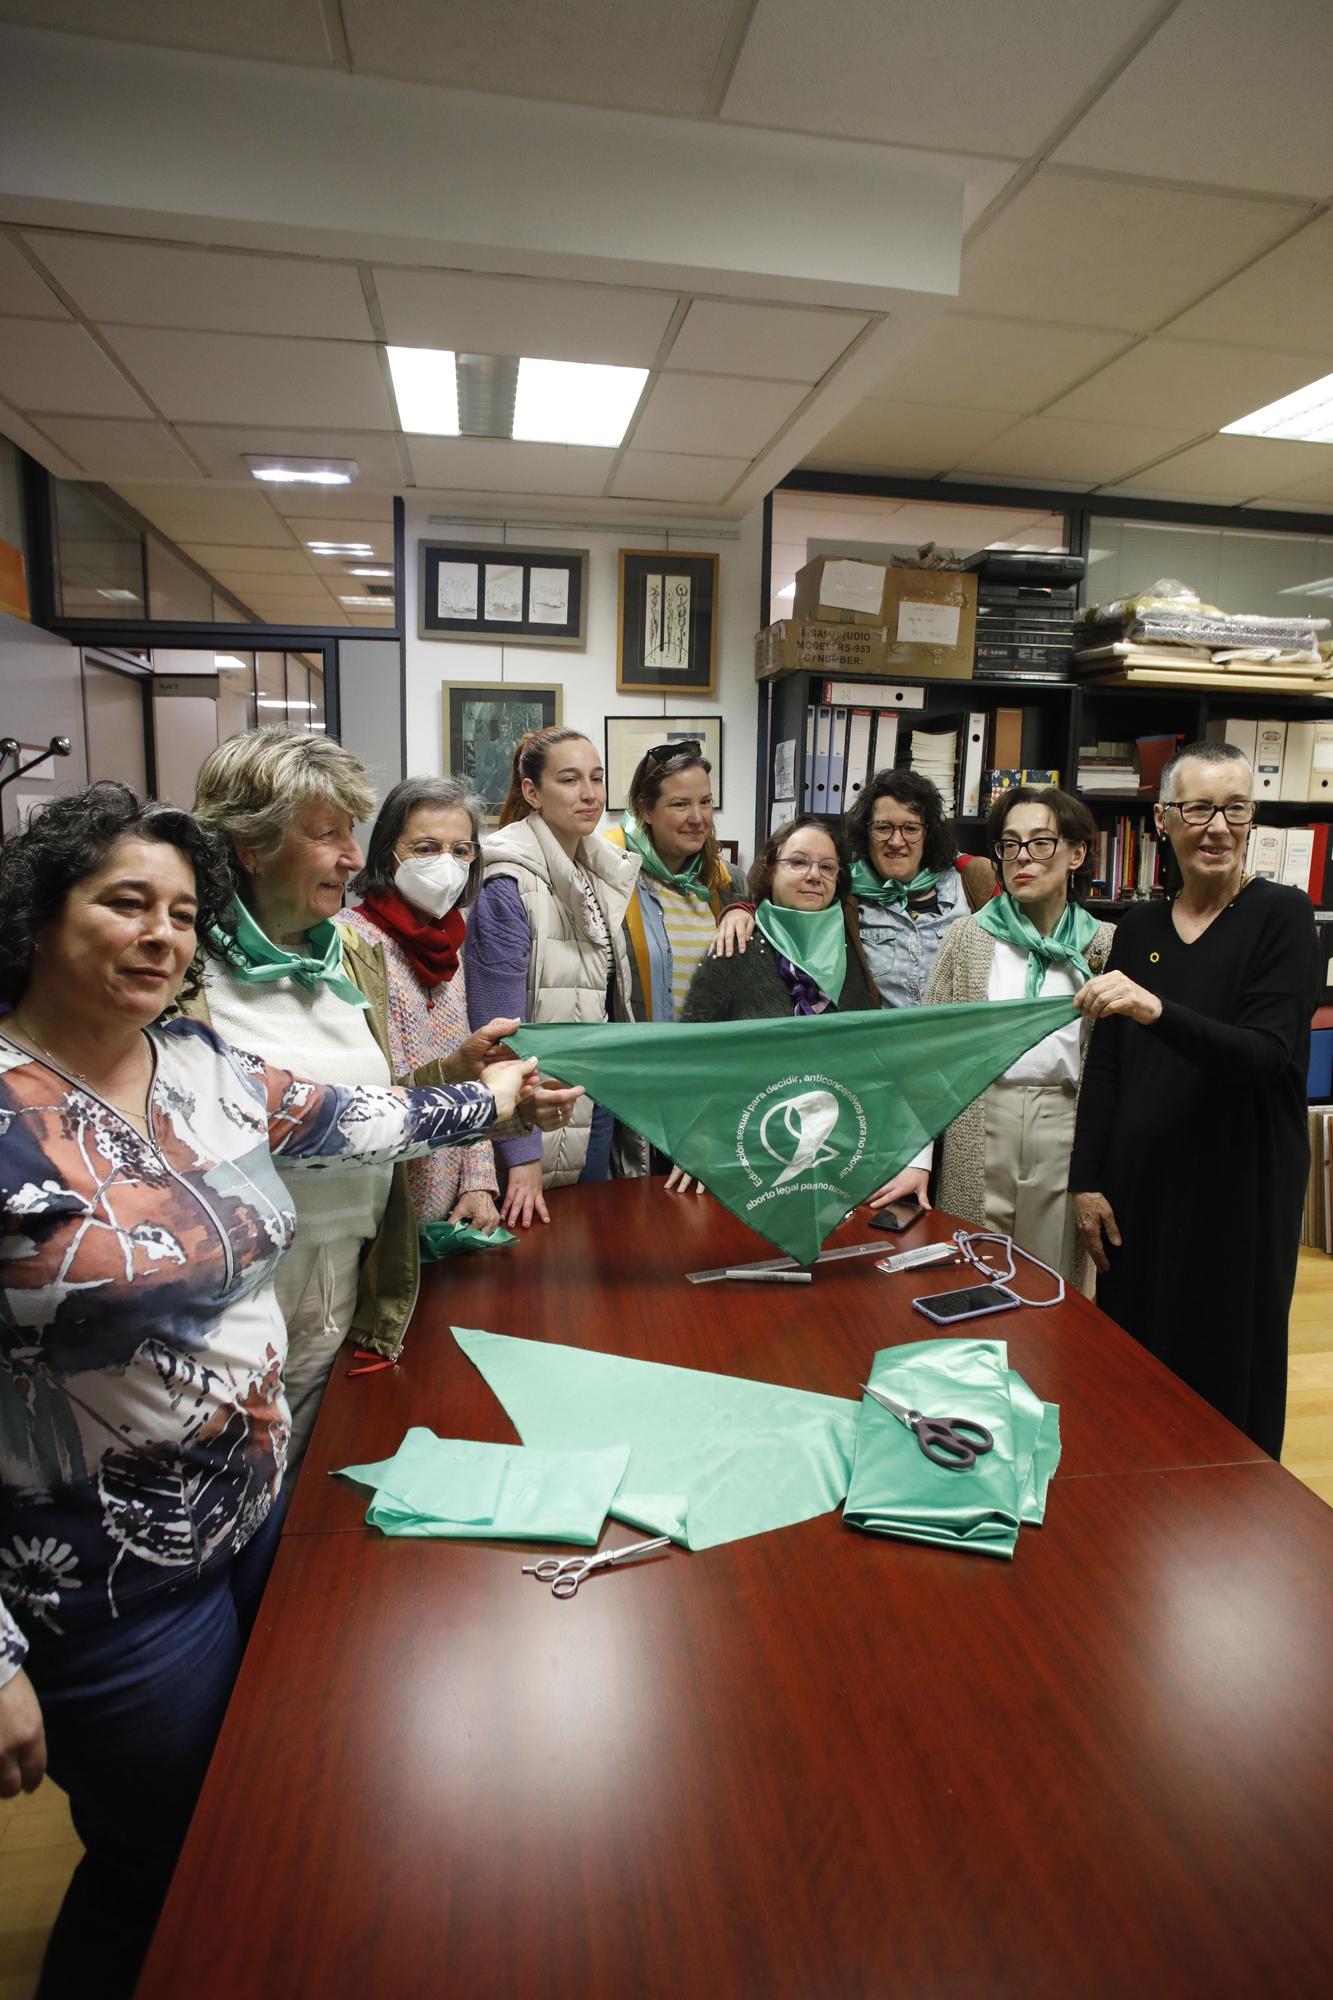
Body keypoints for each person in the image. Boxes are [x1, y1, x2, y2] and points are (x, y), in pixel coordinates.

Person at [0, 783, 570, 2000]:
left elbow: (356, 1116)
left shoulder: (201, 1061)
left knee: (259, 1821)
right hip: (104, 1583)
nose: (162, 933)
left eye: (183, 912)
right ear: (44, 916)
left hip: (257, 1516)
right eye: (125, 904)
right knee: (164, 1864)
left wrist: (498, 1096)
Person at [189, 728, 518, 1468]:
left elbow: (379, 1101)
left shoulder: (347, 955)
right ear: (251, 845)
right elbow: (286, 1117)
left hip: (349, 1270)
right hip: (233, 1291)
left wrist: (457, 1075)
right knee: (226, 1481)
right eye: (326, 833)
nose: (349, 855)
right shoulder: (186, 971)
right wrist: (476, 1106)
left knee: (306, 1479)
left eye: (351, 832)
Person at [1070, 740, 1321, 1456]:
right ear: (1161, 820)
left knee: (1224, 1373)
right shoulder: (1142, 926)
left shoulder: (1281, 917)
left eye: (1234, 808)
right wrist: (1086, 1179)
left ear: (1251, 819)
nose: (1217, 826)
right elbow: (1108, 1064)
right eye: (1198, 808)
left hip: (1237, 1191)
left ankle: (1227, 1535)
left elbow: (1261, 1057)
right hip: (1139, 1186)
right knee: (1132, 1365)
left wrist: (1154, 1009)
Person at [873, 786, 1112, 1287]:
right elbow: (927, 1055)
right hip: (979, 1120)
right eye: (1010, 844)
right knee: (971, 1273)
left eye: (1041, 842)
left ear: (1077, 853)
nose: (1022, 858)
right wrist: (918, 1159)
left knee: (1052, 1280)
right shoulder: (968, 938)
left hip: (1067, 1128)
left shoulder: (1105, 946)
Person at [466, 726, 643, 1228]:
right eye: (569, 780)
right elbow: (495, 1031)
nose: (589, 794)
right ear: (531, 792)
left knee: (585, 1246)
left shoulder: (595, 870)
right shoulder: (508, 882)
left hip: (591, 1093)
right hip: (530, 1110)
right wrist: (521, 1155)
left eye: (597, 778)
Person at [343, 775, 499, 1234]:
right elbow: (356, 1098)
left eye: (461, 850)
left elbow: (469, 1075)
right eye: (426, 848)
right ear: (388, 852)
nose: (446, 865)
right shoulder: (350, 943)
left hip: (451, 1211)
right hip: (380, 1211)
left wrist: (478, 1180)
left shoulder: (449, 943)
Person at [680, 814, 878, 1022]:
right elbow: (695, 1043)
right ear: (770, 871)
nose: (814, 876)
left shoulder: (857, 936)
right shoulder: (733, 946)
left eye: (827, 867)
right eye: (799, 862)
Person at [603, 738, 740, 1021]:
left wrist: (744, 910)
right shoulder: (611, 874)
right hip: (643, 1057)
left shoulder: (729, 882)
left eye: (705, 802)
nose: (697, 818)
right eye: (680, 804)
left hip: (712, 1056)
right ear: (645, 810)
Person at [844, 768, 995, 1007]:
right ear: (866, 833)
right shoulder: (846, 896)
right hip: (886, 1042)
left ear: (929, 834)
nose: (896, 841)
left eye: (910, 829)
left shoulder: (972, 883)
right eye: (883, 827)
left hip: (960, 1040)